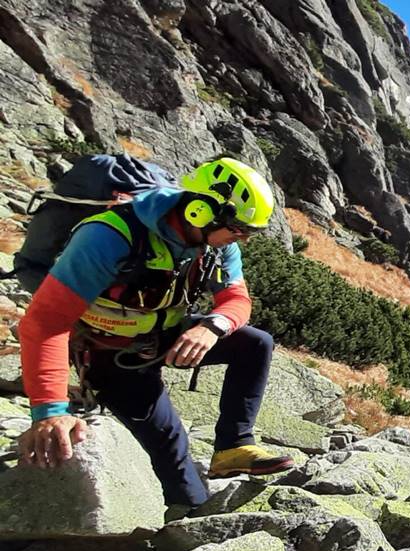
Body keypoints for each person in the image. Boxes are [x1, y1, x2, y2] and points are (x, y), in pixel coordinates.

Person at [15, 157, 292, 511]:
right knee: (170, 443)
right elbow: (47, 322)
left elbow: (237, 300)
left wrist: (212, 326)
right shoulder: (108, 236)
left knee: (255, 344)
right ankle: (186, 527)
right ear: (199, 211)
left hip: (165, 335)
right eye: (239, 228)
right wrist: (50, 412)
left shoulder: (218, 246)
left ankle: (232, 446)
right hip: (111, 355)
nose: (243, 240)